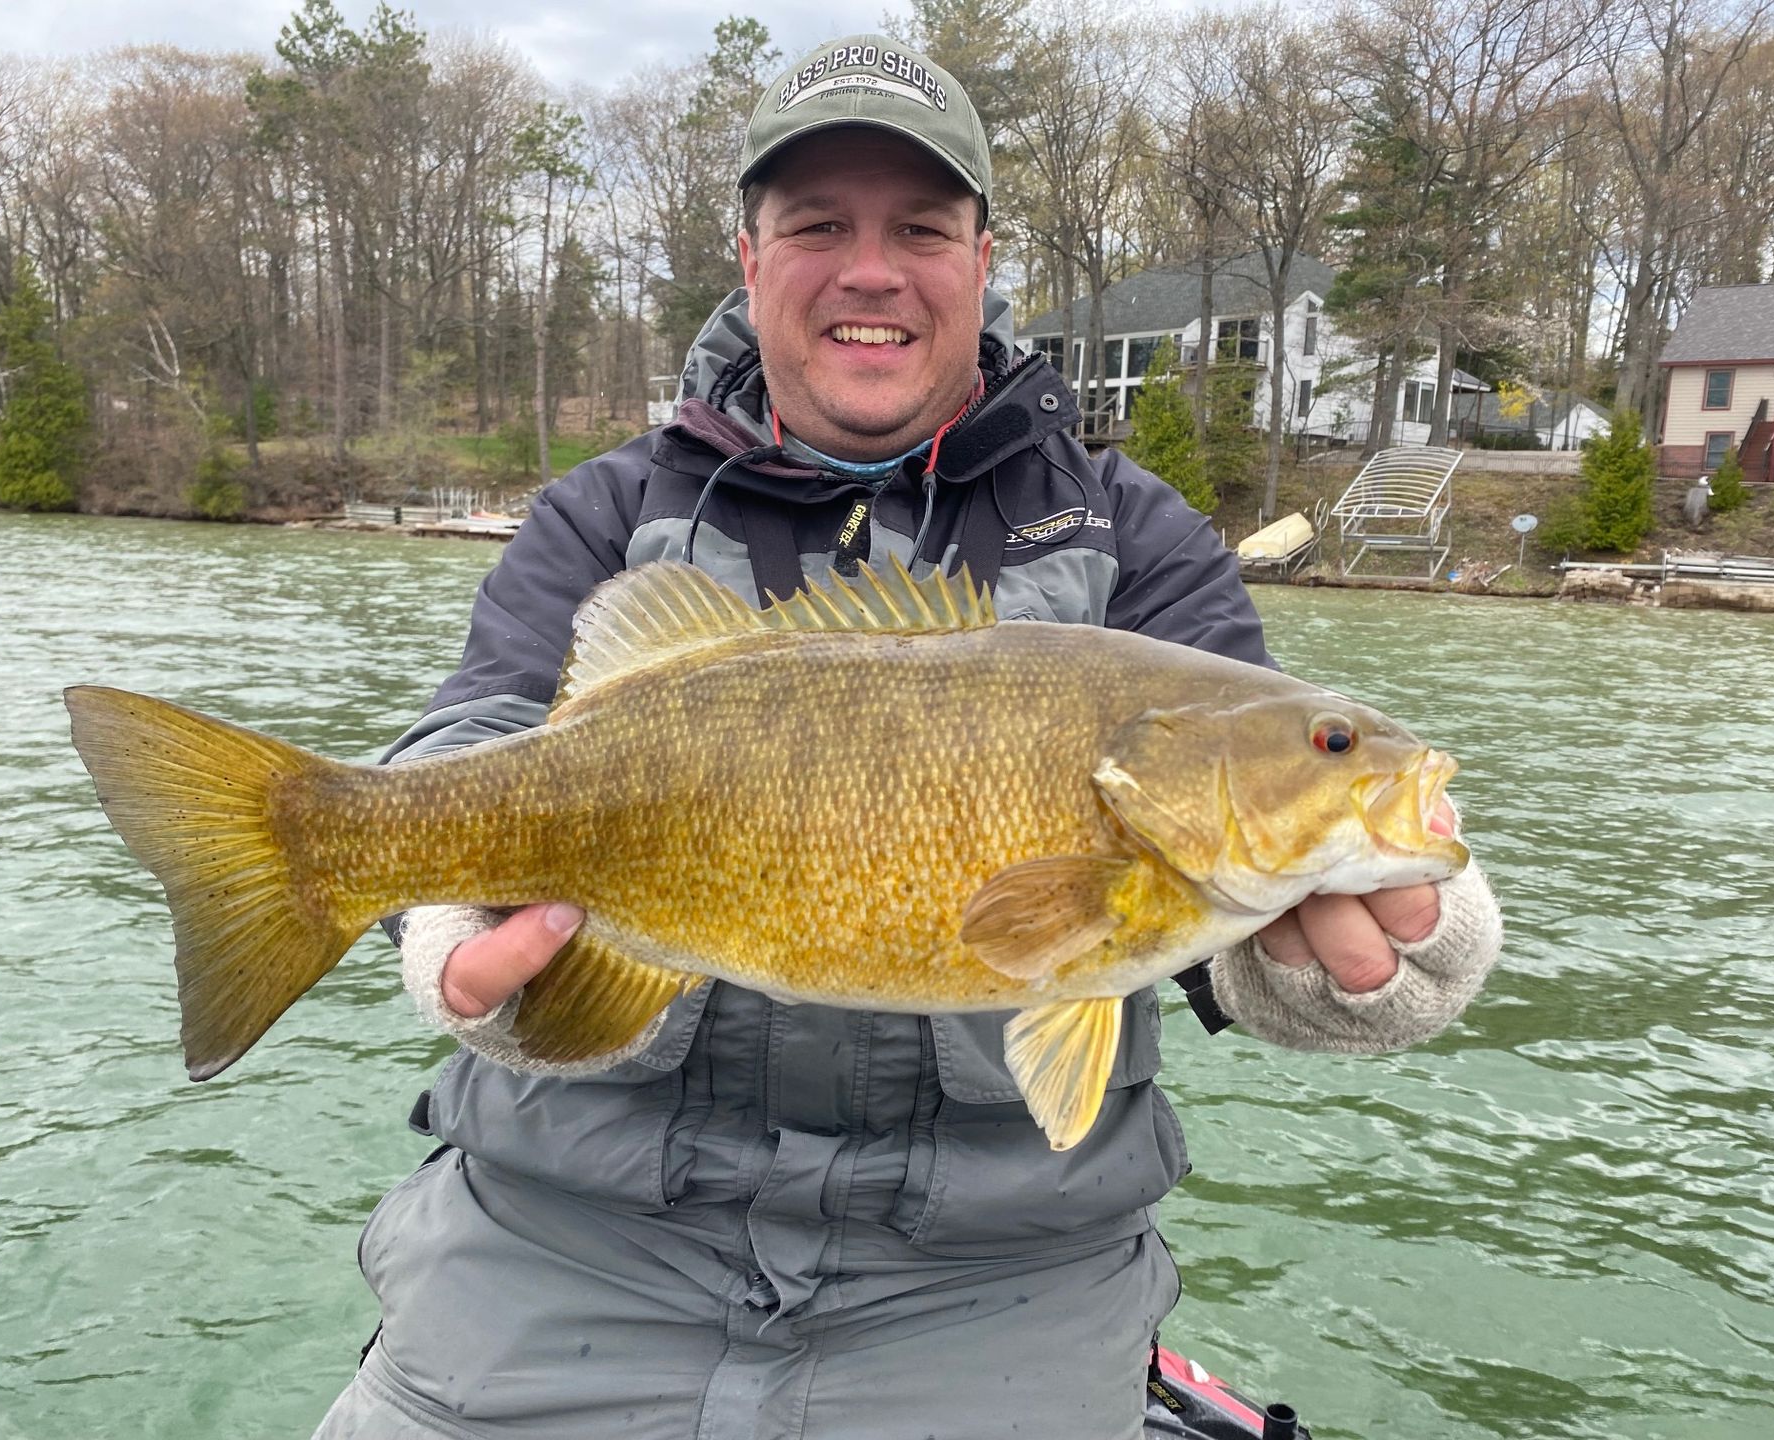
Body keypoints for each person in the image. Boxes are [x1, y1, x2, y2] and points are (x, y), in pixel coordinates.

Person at [312, 35, 1502, 1440]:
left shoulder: (1144, 547)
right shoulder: (600, 513)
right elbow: (481, 735)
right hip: (559, 1251)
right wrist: (437, 918)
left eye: (921, 229)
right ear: (748, 261)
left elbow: (1254, 915)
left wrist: (1397, 949)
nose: (870, 270)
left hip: (996, 1289)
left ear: (983, 260)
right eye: (818, 225)